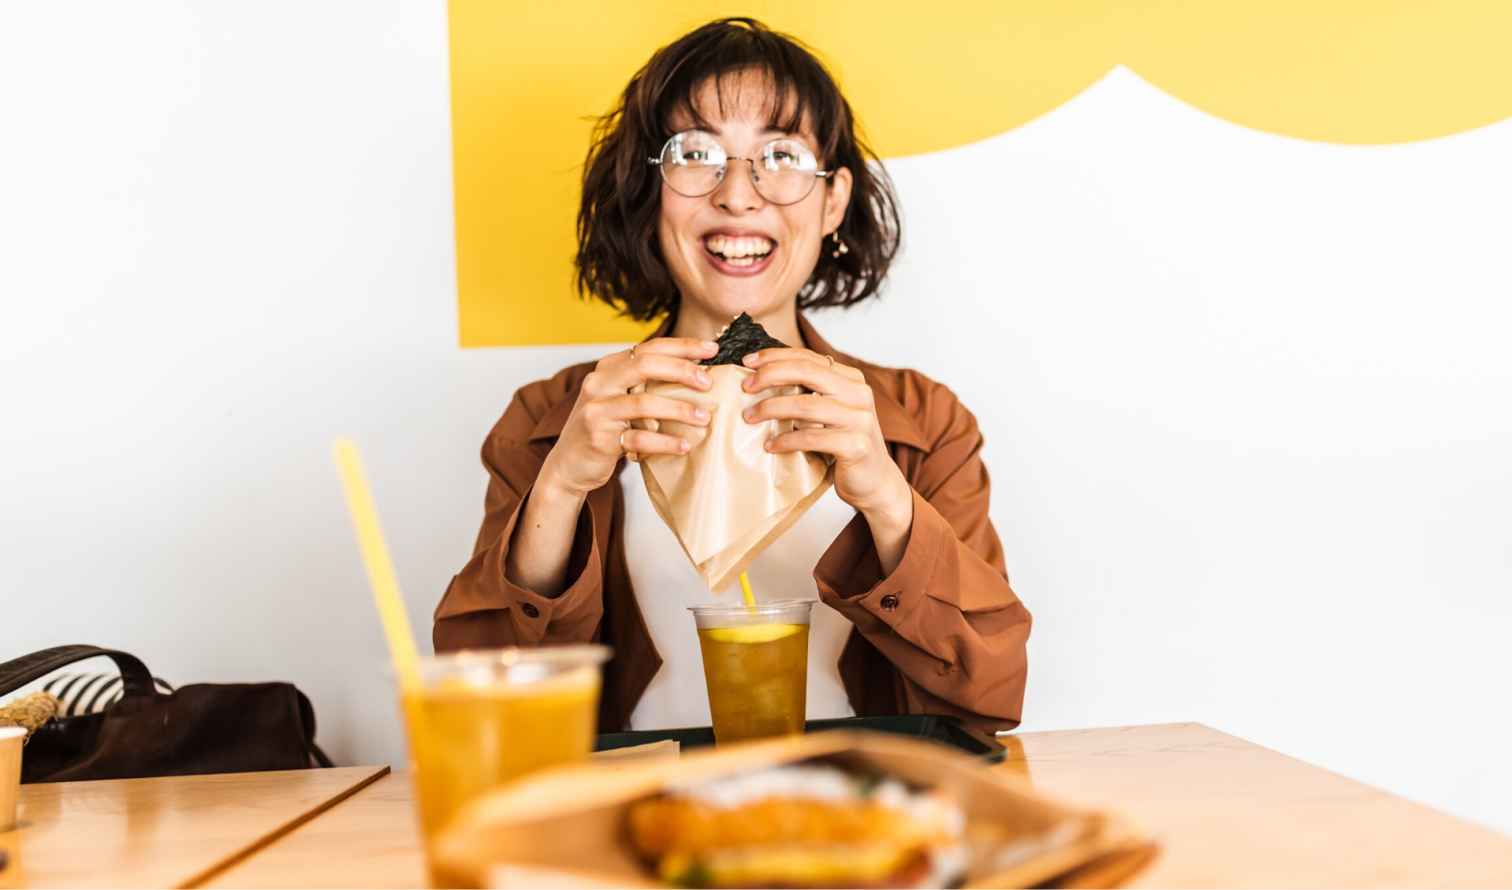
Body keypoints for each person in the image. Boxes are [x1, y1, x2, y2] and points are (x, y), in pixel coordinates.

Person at [434, 17, 1031, 734]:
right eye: (695, 153)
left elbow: (990, 693)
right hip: (638, 800)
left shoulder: (924, 420)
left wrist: (886, 497)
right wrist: (560, 486)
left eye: (781, 156)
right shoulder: (552, 417)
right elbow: (483, 711)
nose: (739, 195)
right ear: (650, 191)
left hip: (859, 795)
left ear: (833, 201)